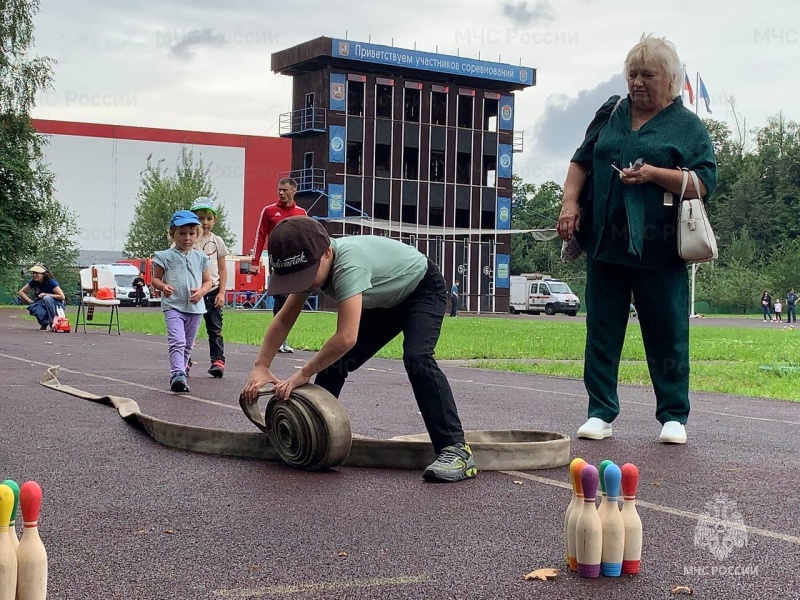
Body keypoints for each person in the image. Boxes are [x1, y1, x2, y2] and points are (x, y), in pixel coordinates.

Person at [556, 35, 717, 445]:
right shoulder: (611, 112)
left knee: (667, 332)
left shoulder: (688, 126)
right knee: (602, 330)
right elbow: (580, 160)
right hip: (606, 245)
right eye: (633, 74)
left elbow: (703, 182)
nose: (638, 83)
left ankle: (673, 415)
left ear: (671, 80)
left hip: (661, 250)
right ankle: (600, 412)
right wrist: (570, 205)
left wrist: (653, 174)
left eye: (648, 75)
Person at [241, 216, 477, 483]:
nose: (303, 284)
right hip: (384, 300)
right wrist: (261, 366)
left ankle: (456, 450)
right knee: (332, 363)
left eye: (305, 276)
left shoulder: (348, 265)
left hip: (421, 289)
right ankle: (312, 435)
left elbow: (346, 337)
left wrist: (302, 373)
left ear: (327, 251)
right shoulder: (315, 262)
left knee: (417, 357)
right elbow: (284, 318)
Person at [151, 210, 212, 393]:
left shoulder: (201, 258)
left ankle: (182, 370)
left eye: (191, 234)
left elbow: (208, 281)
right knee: (177, 340)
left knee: (187, 344)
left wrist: (201, 292)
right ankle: (177, 374)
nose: (187, 238)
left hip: (195, 307)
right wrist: (163, 287)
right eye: (182, 233)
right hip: (173, 306)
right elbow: (155, 279)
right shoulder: (164, 256)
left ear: (197, 235)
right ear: (172, 234)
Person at [250, 177, 307, 353]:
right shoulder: (269, 211)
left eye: (285, 190)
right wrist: (255, 262)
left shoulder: (301, 212)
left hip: (297, 261)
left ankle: (285, 338)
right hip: (277, 261)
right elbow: (260, 236)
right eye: (279, 190)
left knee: (293, 300)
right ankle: (279, 340)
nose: (281, 193)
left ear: (294, 191)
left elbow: (307, 237)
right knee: (280, 298)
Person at [190, 198, 229, 378]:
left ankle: (218, 361)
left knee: (215, 328)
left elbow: (222, 268)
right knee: (189, 328)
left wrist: (222, 292)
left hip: (212, 291)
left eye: (208, 218)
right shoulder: (189, 239)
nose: (204, 222)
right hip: (193, 292)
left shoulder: (217, 241)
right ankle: (185, 360)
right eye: (200, 218)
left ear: (215, 220)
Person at [18, 264, 66, 331]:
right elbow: (21, 292)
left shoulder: (51, 282)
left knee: (46, 298)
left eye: (37, 273)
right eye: (33, 273)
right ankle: (44, 323)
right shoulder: (34, 282)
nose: (34, 275)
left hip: (57, 305)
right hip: (43, 303)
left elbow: (62, 296)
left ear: (43, 274)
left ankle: (53, 323)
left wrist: (46, 294)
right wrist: (30, 301)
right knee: (34, 306)